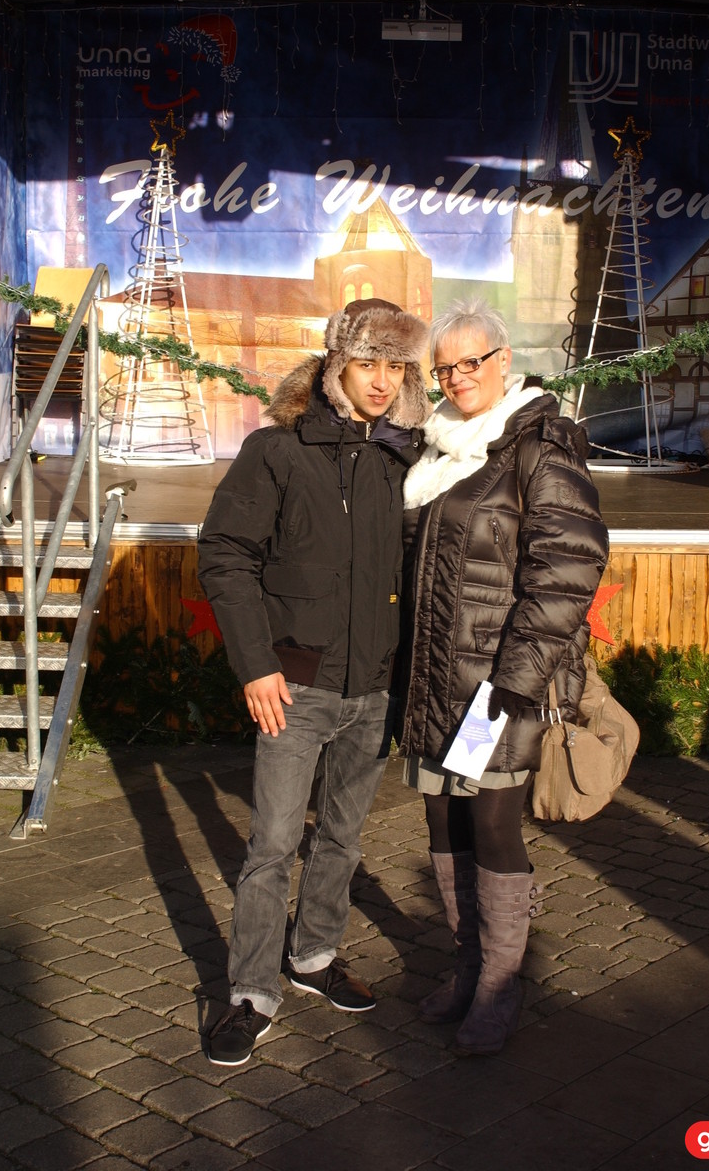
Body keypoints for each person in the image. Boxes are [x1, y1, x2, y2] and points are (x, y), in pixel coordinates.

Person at [197, 297, 429, 1067]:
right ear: (336, 364)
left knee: (342, 836)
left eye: (395, 365)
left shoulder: (402, 458)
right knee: (271, 844)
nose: (382, 380)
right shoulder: (278, 451)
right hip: (296, 686)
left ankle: (314, 955)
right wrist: (257, 663)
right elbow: (225, 555)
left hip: (375, 687)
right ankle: (250, 992)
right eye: (368, 362)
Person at [398, 299, 609, 1055]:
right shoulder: (438, 452)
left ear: (503, 361)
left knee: (490, 823)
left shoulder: (538, 446)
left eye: (471, 362)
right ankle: (467, 967)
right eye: (444, 368)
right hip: (435, 679)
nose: (457, 378)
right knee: (443, 820)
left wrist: (516, 680)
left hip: (495, 686)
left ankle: (498, 984)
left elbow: (568, 568)